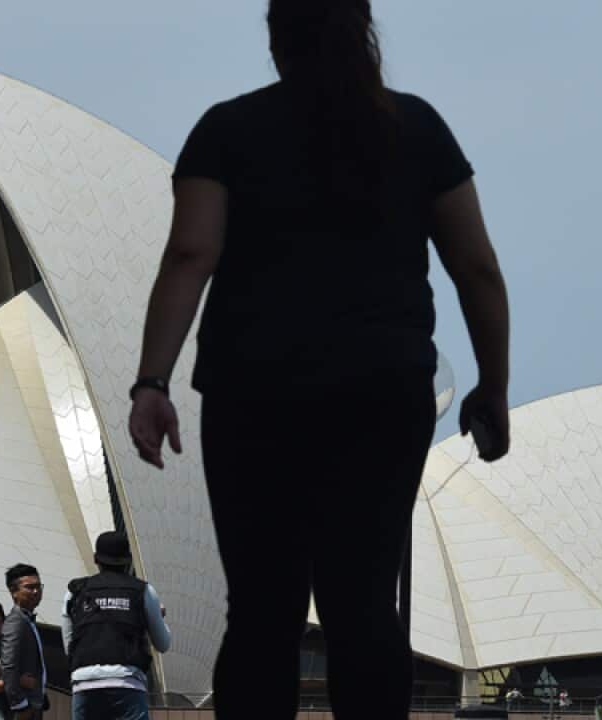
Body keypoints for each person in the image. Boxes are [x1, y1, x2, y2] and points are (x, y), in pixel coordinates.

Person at [128, 0, 511, 716]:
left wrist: (152, 381)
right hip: (381, 392)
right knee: (364, 604)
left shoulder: (227, 131)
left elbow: (190, 254)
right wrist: (493, 385)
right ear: (363, 31)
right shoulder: (417, 128)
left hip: (254, 395)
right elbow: (477, 269)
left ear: (276, 38)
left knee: (263, 607)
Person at [63, 531, 172, 720]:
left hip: (85, 683)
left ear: (96, 559)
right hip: (127, 683)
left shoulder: (74, 592)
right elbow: (163, 644)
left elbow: (69, 647)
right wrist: (157, 617)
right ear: (128, 560)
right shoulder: (143, 591)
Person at [2, 564, 48, 719]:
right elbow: (9, 666)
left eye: (38, 586)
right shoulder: (15, 622)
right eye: (29, 587)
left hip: (34, 704)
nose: (36, 592)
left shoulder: (27, 620)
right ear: (13, 592)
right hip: (23, 709)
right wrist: (20, 705)